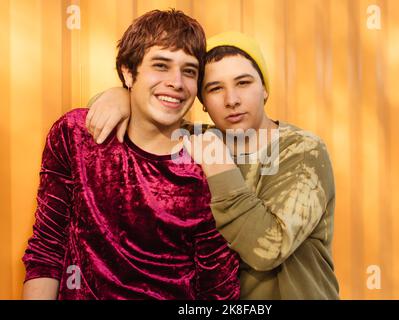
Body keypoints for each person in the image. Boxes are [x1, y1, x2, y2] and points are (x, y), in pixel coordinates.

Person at [87, 31, 339, 299]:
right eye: (215, 88)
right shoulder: (198, 140)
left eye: (243, 83)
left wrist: (221, 169)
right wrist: (120, 96)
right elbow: (141, 122)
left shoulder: (302, 151)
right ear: (203, 102)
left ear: (264, 89)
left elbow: (269, 248)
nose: (231, 100)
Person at [22, 10, 240, 300]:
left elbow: (218, 288)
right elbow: (47, 248)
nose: (176, 82)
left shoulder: (209, 162)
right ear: (128, 71)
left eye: (189, 71)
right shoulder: (75, 134)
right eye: (161, 65)